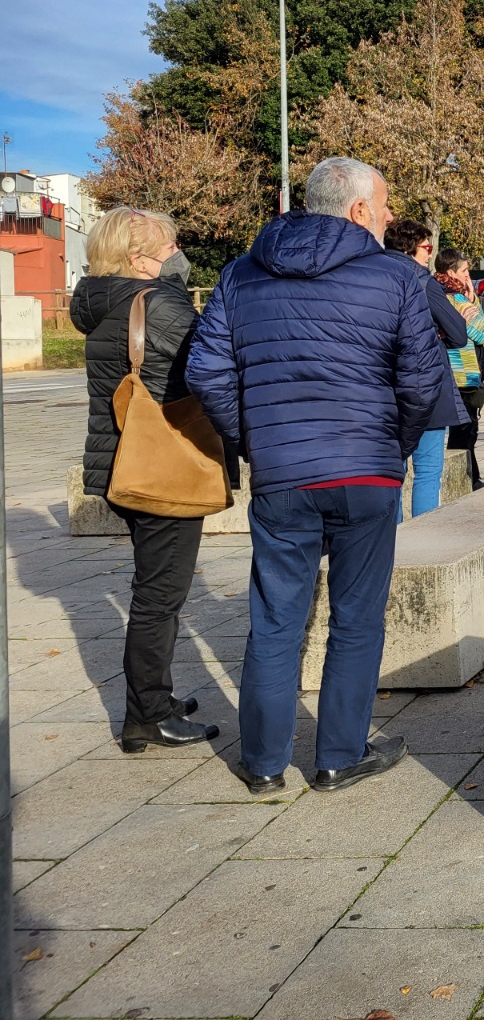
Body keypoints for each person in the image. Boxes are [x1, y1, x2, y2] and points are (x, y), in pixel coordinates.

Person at [187, 156, 442, 796]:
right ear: (358, 210)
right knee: (357, 619)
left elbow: (205, 371)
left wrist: (254, 442)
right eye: (383, 207)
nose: (388, 217)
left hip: (282, 475)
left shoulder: (241, 273)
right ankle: (338, 757)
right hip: (367, 473)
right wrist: (396, 448)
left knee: (275, 620)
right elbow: (422, 380)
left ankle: (265, 766)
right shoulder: (396, 277)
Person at [71, 207, 221, 754]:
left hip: (121, 462)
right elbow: (211, 352)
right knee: (160, 597)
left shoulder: (100, 301)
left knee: (151, 589)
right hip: (164, 467)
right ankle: (147, 715)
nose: (177, 252)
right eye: (169, 246)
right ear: (138, 260)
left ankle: (155, 697)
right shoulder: (157, 302)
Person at [383, 220, 470, 518]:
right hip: (426, 387)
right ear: (410, 247)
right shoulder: (422, 281)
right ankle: (422, 541)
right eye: (427, 247)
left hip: (383, 390)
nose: (429, 254)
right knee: (428, 471)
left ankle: (389, 542)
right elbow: (459, 333)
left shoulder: (371, 274)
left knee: (392, 474)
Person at [435, 247, 484, 489]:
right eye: (465, 270)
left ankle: (472, 476)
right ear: (452, 272)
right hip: (463, 375)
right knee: (465, 430)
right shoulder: (456, 298)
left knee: (460, 430)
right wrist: (472, 302)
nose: (469, 275)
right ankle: (466, 481)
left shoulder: (435, 292)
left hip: (446, 372)